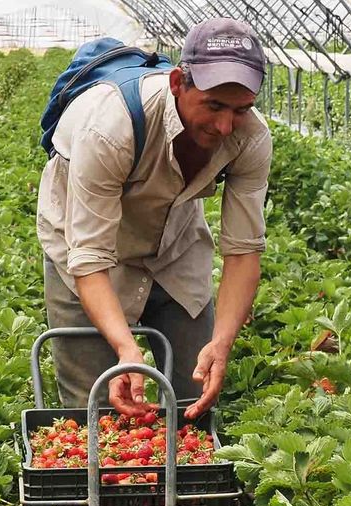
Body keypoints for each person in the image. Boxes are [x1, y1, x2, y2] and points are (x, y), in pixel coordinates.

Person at [37, 17, 272, 422]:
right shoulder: (112, 126)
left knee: (191, 402)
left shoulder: (250, 137)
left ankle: (175, 481)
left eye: (241, 109)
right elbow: (90, 256)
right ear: (178, 82)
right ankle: (100, 482)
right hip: (83, 249)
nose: (224, 126)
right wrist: (127, 351)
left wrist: (223, 342)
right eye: (214, 105)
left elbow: (243, 252)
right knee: (91, 408)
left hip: (173, 246)